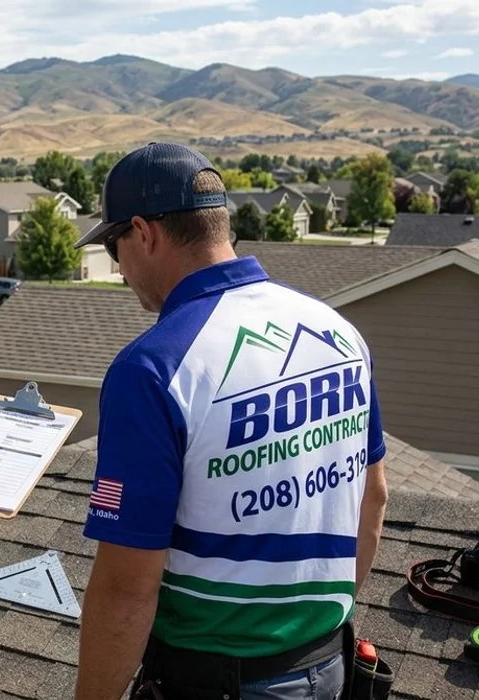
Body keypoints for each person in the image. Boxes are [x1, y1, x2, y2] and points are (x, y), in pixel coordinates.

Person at [71, 142, 389, 700]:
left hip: (217, 681)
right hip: (327, 667)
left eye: (115, 248)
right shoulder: (338, 332)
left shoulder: (154, 369)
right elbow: (374, 497)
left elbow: (126, 588)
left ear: (144, 233)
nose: (119, 270)